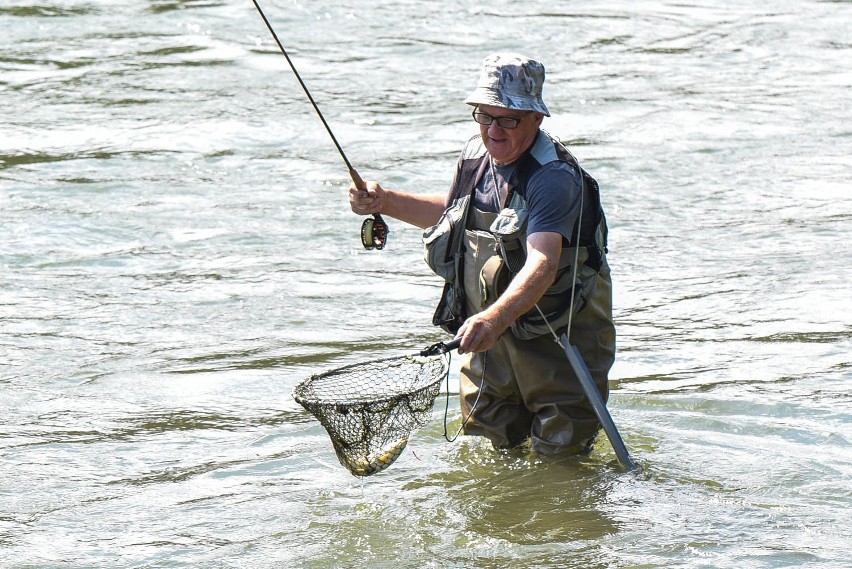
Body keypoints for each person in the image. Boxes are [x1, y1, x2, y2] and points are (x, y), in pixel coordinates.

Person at [349, 53, 616, 457]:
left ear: (535, 118)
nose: (493, 130)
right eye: (484, 116)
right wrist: (384, 201)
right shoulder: (476, 155)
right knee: (490, 456)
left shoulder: (553, 178)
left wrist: (493, 318)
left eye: (507, 118)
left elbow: (543, 263)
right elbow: (453, 214)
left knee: (562, 464)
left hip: (559, 342)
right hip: (491, 344)